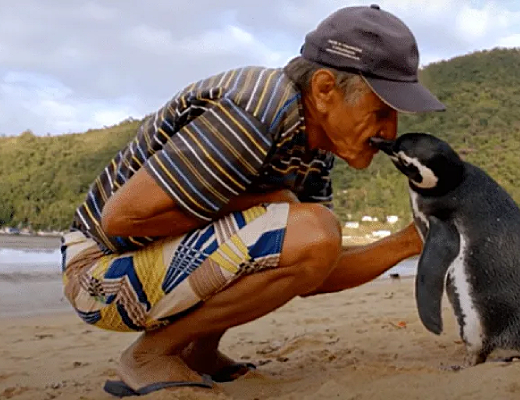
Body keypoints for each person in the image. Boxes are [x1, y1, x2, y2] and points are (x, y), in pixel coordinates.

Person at [60, 4, 446, 397]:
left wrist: (410, 241)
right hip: (97, 275)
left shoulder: (314, 148)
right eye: (381, 111)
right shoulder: (255, 108)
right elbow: (121, 220)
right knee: (303, 224)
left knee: (307, 230)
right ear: (325, 89)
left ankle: (199, 350)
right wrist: (268, 202)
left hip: (146, 267)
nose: (390, 131)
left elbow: (312, 267)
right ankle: (150, 354)